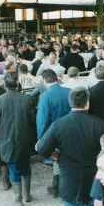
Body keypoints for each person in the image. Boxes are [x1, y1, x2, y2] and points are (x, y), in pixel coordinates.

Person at [37, 87, 104, 206]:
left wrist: (54, 154)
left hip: (70, 178)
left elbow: (42, 149)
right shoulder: (99, 124)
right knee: (91, 204)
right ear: (87, 103)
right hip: (94, 177)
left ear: (70, 103)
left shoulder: (59, 124)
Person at [0, 72, 36, 206]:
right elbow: (33, 120)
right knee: (26, 166)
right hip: (25, 139)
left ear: (5, 84)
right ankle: (27, 195)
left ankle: (17, 200)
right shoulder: (27, 99)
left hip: (7, 141)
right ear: (17, 84)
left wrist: (1, 135)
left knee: (13, 169)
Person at [36, 69, 72, 197]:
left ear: (44, 81)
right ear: (56, 78)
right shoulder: (69, 92)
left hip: (55, 135)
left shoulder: (45, 96)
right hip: (71, 132)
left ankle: (59, 189)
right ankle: (58, 187)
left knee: (57, 160)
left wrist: (41, 138)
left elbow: (42, 120)